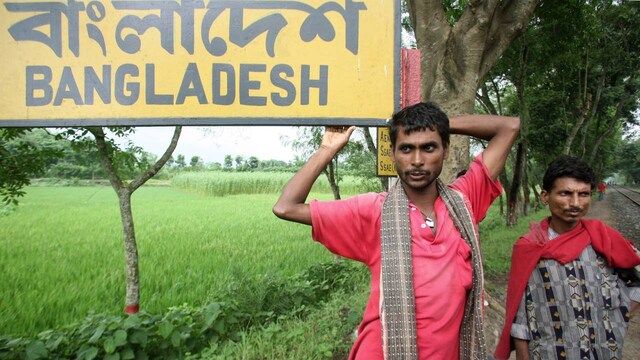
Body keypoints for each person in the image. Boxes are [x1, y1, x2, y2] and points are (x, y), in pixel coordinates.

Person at [273, 102, 520, 359]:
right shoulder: (373, 211)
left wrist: (440, 123)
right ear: (392, 154)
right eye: (406, 149)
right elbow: (286, 207)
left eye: (429, 147)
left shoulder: (464, 201)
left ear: (445, 150)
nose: (416, 160)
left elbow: (508, 127)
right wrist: (327, 149)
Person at [494, 155, 640, 360]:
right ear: (545, 196)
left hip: (602, 351)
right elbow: (520, 316)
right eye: (565, 193)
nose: (575, 203)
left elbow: (636, 278)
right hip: (548, 352)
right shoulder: (529, 248)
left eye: (584, 194)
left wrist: (621, 313)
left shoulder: (604, 239)